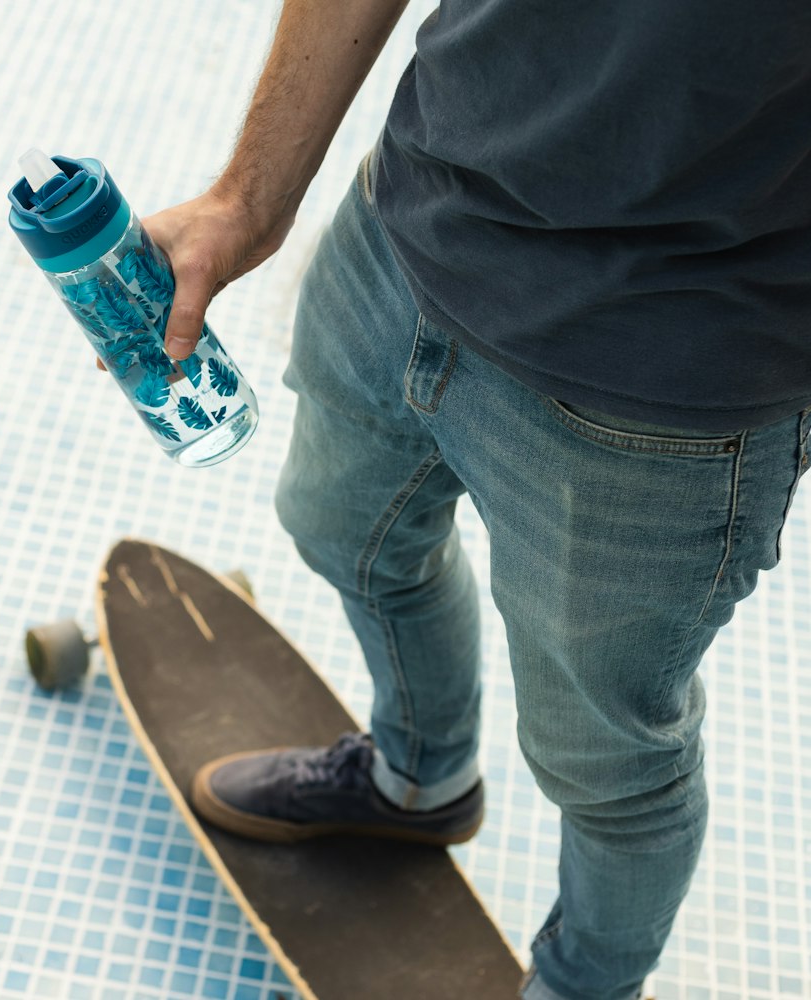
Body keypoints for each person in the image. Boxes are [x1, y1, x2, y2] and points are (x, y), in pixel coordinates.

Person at [106, 2, 811, 997]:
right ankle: (419, 776)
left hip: (662, 374)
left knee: (604, 758)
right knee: (338, 525)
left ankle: (580, 985)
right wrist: (248, 199)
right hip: (410, 226)